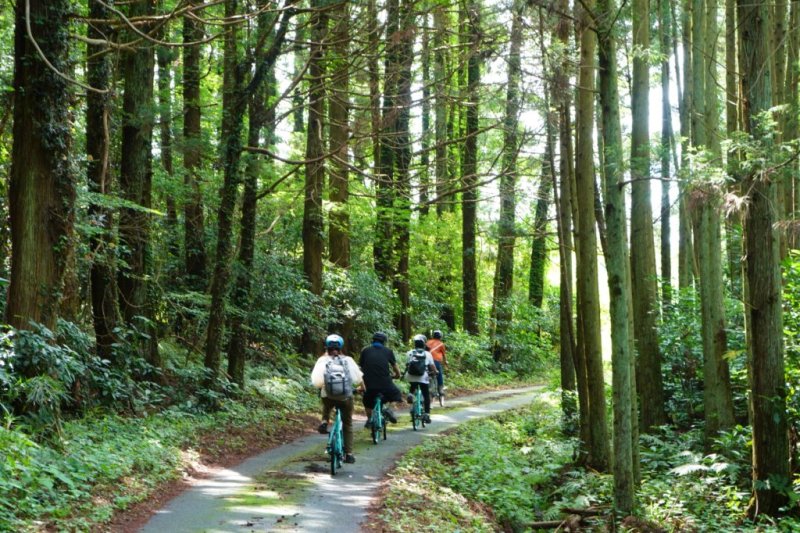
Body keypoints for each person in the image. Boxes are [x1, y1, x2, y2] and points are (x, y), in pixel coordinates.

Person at [310, 334, 363, 464]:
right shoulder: (348, 360)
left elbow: (316, 382)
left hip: (328, 396)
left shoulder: (322, 360)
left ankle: (324, 421)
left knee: (326, 401)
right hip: (345, 397)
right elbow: (357, 379)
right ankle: (349, 454)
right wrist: (359, 388)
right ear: (341, 347)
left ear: (326, 347)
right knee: (348, 424)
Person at [359, 331, 403, 427]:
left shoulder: (365, 351)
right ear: (384, 341)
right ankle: (389, 410)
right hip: (385, 383)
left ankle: (369, 419)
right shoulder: (388, 351)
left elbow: (361, 368)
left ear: (373, 340)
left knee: (367, 400)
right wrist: (397, 375)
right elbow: (395, 367)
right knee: (396, 394)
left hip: (368, 383)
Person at [404, 334, 437, 423]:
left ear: (415, 344)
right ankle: (426, 414)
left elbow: (407, 364)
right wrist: (435, 372)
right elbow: (432, 366)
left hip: (410, 376)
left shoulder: (409, 352)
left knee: (413, 383)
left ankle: (410, 394)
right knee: (426, 395)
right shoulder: (427, 354)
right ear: (423, 344)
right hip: (423, 376)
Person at [426, 330, 448, 394]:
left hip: (426, 361)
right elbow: (444, 355)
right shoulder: (441, 344)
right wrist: (445, 362)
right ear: (440, 336)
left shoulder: (428, 342)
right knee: (439, 373)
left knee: (426, 373)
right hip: (436, 361)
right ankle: (440, 389)